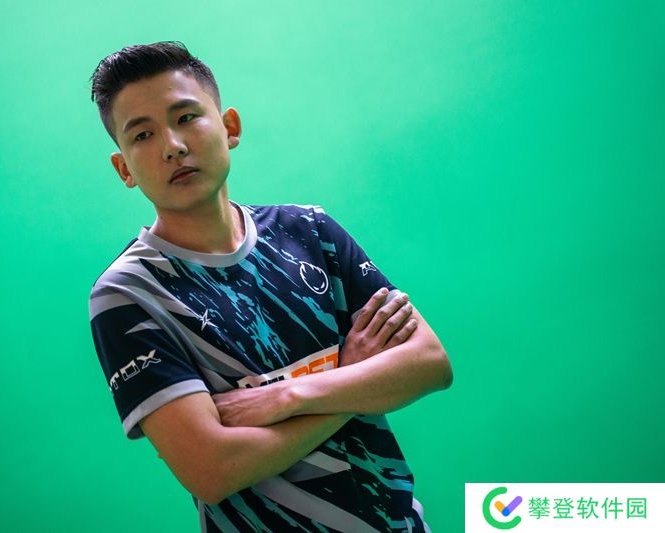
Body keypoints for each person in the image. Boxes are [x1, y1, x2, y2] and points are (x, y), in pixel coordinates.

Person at [88, 41, 452, 533]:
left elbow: (428, 363)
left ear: (229, 127)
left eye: (187, 117)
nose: (172, 145)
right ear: (124, 169)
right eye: (143, 134)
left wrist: (287, 397)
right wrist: (353, 376)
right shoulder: (129, 294)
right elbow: (212, 470)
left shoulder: (312, 231)